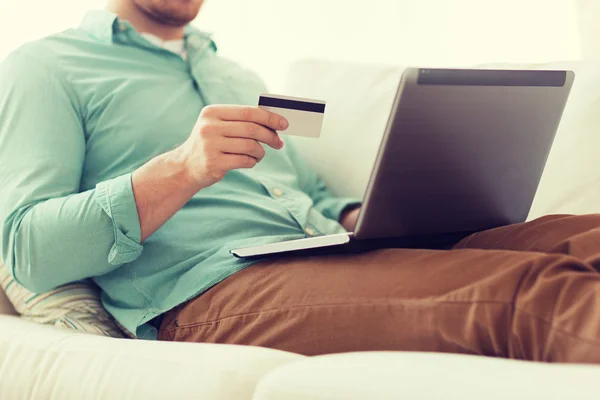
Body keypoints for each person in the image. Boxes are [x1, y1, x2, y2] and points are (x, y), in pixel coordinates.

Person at [0, 0, 599, 364]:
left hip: (325, 250)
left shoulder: (234, 73)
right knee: (532, 291)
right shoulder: (46, 66)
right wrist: (180, 169)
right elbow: (25, 250)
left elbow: (306, 194)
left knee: (587, 236)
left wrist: (368, 215)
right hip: (212, 291)